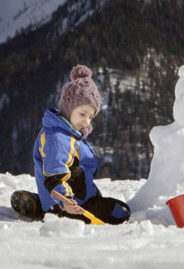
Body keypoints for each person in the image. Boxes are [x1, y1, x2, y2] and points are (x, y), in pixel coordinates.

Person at [10, 65, 131, 225]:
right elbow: (55, 176)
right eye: (82, 114)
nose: (86, 121)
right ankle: (54, 212)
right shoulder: (57, 138)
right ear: (68, 108)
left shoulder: (71, 134)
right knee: (120, 213)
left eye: (90, 117)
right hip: (70, 205)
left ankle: (43, 205)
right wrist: (66, 201)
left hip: (77, 198)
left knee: (117, 209)